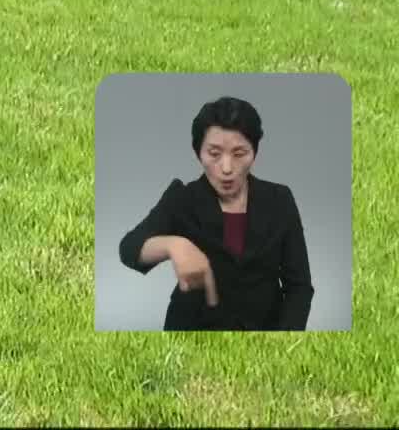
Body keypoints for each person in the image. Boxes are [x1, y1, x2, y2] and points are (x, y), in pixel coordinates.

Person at [117, 96, 313, 331]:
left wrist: (284, 342)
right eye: (214, 153)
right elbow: (129, 248)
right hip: (193, 332)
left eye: (239, 153)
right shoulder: (182, 199)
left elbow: (299, 286)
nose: (227, 168)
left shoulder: (279, 200)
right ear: (198, 153)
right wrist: (173, 245)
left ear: (254, 153)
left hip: (265, 332)